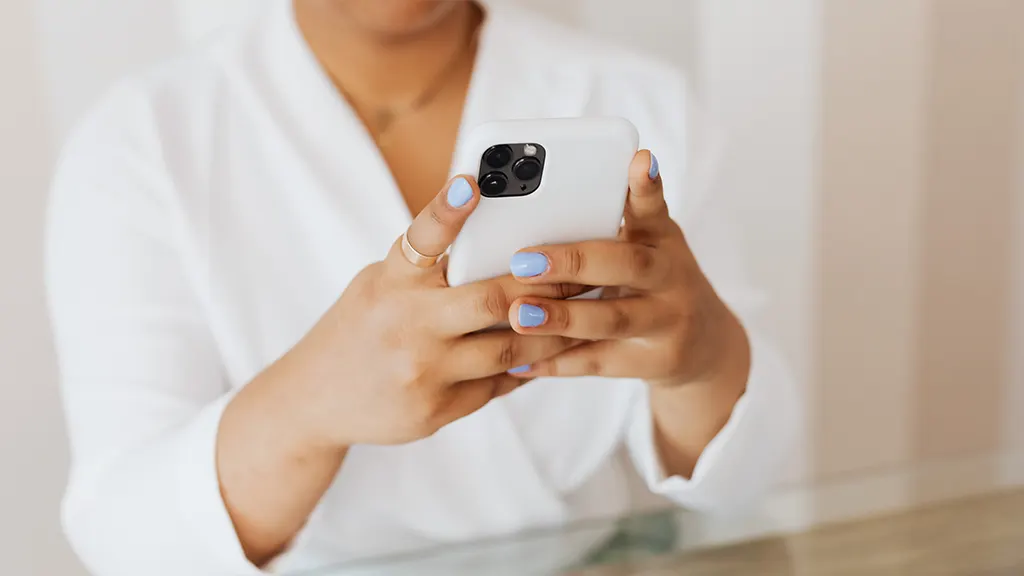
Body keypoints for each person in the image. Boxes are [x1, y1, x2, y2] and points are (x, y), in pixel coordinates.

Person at [45, 1, 798, 574]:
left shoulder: (637, 103)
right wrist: (308, 405)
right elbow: (122, 537)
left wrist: (701, 359)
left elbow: (745, 479)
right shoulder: (143, 141)